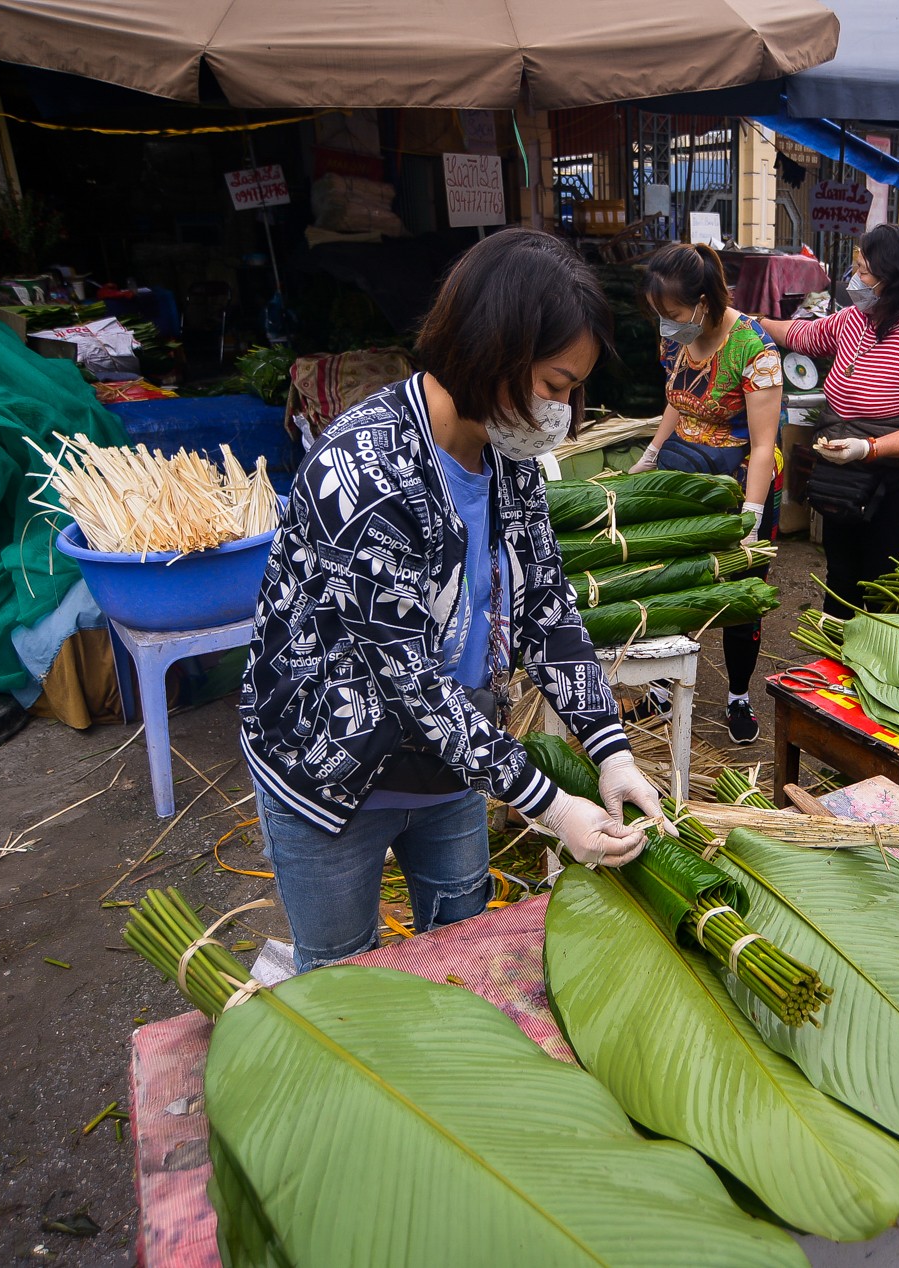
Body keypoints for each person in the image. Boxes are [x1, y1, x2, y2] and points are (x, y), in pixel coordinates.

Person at [240, 228, 663, 973]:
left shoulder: (511, 455)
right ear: (491, 351)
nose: (562, 410)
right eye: (556, 386)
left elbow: (546, 606)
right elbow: (406, 684)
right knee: (342, 975)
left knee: (459, 947)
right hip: (331, 773)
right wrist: (552, 805)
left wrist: (609, 747)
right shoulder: (365, 472)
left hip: (454, 758)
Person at [630, 242, 783, 746]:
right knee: (669, 581)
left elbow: (763, 446)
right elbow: (677, 398)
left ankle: (738, 695)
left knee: (739, 598)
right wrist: (652, 452)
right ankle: (660, 681)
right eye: (659, 315)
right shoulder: (675, 339)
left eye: (671, 313)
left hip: (741, 486)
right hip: (683, 476)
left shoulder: (754, 349)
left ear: (702, 302)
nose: (665, 324)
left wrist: (752, 518)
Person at [764, 224, 899, 617]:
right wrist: (749, 320)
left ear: (894, 277)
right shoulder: (853, 320)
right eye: (856, 269)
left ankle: (876, 668)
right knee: (840, 578)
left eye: (865, 272)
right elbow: (801, 335)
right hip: (843, 480)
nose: (856, 280)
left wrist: (868, 448)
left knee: (882, 585)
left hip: (895, 485)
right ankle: (835, 663)